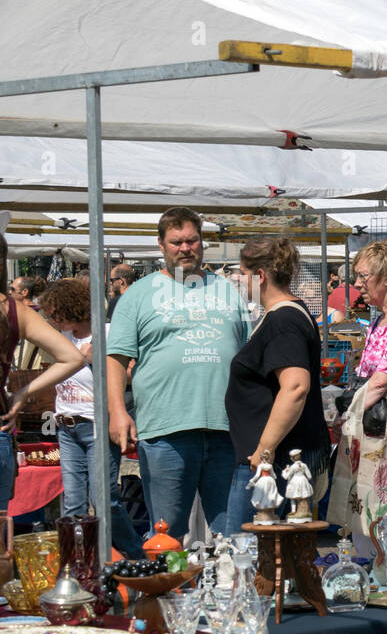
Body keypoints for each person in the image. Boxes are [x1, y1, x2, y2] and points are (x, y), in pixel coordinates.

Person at [107, 207, 249, 541]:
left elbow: (246, 353)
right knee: (166, 534)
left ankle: (226, 593)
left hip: (226, 431)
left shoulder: (230, 290)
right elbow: (116, 358)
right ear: (161, 245)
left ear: (202, 243)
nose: (185, 248)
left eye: (192, 240)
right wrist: (117, 411)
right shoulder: (138, 295)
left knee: (231, 535)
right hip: (165, 431)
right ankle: (170, 593)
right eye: (176, 242)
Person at [326, 239, 387, 555]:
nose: (356, 284)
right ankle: (372, 584)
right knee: (363, 518)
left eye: (363, 276)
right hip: (372, 431)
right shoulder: (381, 320)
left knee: (383, 520)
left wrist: (345, 414)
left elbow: (381, 382)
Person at [223, 237, 330, 531]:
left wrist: (263, 452)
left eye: (243, 274)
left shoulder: (284, 320)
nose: (240, 281)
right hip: (267, 459)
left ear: (260, 276)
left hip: (270, 463)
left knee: (244, 550)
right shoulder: (282, 316)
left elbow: (295, 387)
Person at [35, 279, 144, 557]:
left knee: (105, 500)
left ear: (70, 309)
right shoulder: (62, 339)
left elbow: (131, 374)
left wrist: (97, 359)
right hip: (66, 426)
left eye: (54, 313)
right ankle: (76, 563)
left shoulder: (106, 333)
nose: (51, 318)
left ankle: (135, 556)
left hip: (96, 427)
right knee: (72, 504)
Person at [0, 234, 88, 522]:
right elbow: (72, 357)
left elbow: (72, 358)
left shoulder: (15, 311)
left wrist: (23, 392)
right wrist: (22, 392)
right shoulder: (14, 311)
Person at [9, 275, 49, 369]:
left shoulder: (38, 315)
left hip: (23, 371)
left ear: (24, 292)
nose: (9, 292)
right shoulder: (43, 314)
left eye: (12, 289)